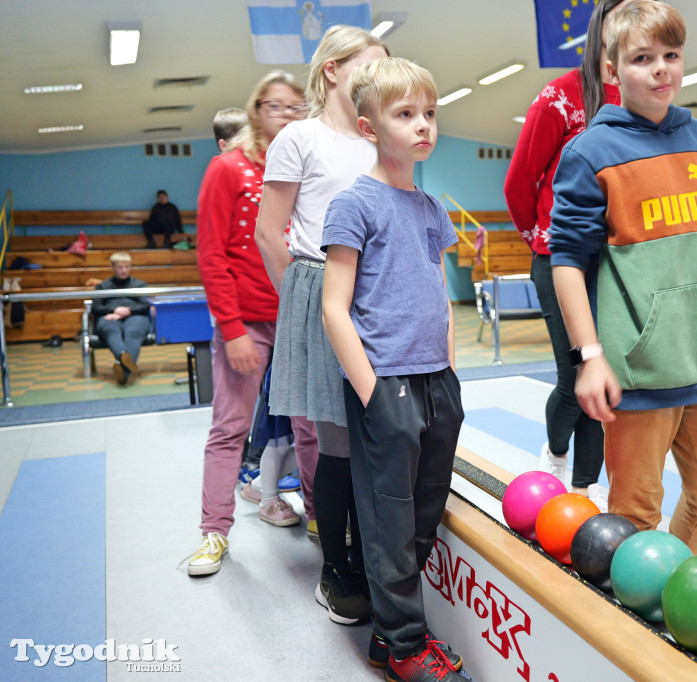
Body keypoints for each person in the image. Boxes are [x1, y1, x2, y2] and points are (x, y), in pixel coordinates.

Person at [548, 0, 697, 554]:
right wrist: (589, 357)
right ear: (612, 71)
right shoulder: (591, 151)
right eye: (642, 58)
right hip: (637, 371)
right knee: (636, 514)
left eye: (671, 55)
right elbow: (565, 259)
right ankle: (637, 619)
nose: (661, 68)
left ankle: (678, 584)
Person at [321, 56, 464, 681]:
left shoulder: (432, 209)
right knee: (388, 521)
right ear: (368, 128)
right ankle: (405, 648)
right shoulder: (354, 205)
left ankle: (389, 634)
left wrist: (452, 373)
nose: (423, 125)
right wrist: (373, 392)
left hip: (437, 381)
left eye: (429, 113)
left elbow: (440, 296)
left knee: (423, 515)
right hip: (387, 381)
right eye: (405, 114)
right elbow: (334, 310)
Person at [255, 25, 388, 627]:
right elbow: (269, 232)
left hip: (381, 296)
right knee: (336, 442)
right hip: (321, 290)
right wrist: (305, 306)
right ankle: (337, 570)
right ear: (333, 69)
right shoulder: (299, 137)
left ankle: (373, 559)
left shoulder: (378, 136)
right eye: (371, 64)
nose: (381, 75)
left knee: (379, 435)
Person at [182, 71, 324, 580]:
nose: (287, 115)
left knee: (312, 427)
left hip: (300, 317)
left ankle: (321, 520)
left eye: (297, 107)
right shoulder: (229, 169)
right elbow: (212, 256)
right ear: (256, 110)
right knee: (231, 427)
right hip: (247, 322)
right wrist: (233, 327)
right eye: (276, 106)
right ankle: (214, 531)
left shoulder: (308, 168)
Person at [503, 0, 625, 510]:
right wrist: (541, 239)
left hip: (614, 261)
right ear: (602, 30)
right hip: (559, 258)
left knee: (605, 373)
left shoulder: (634, 100)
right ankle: (555, 454)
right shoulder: (561, 97)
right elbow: (518, 182)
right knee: (575, 373)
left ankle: (584, 485)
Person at [92, 252, 149, 385]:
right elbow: (96, 308)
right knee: (111, 329)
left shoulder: (140, 285)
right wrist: (114, 311)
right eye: (120, 267)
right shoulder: (102, 287)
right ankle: (124, 357)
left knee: (133, 331)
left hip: (135, 316)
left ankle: (123, 367)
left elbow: (145, 305)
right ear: (112, 268)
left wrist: (127, 311)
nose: (124, 270)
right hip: (109, 316)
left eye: (127, 267)